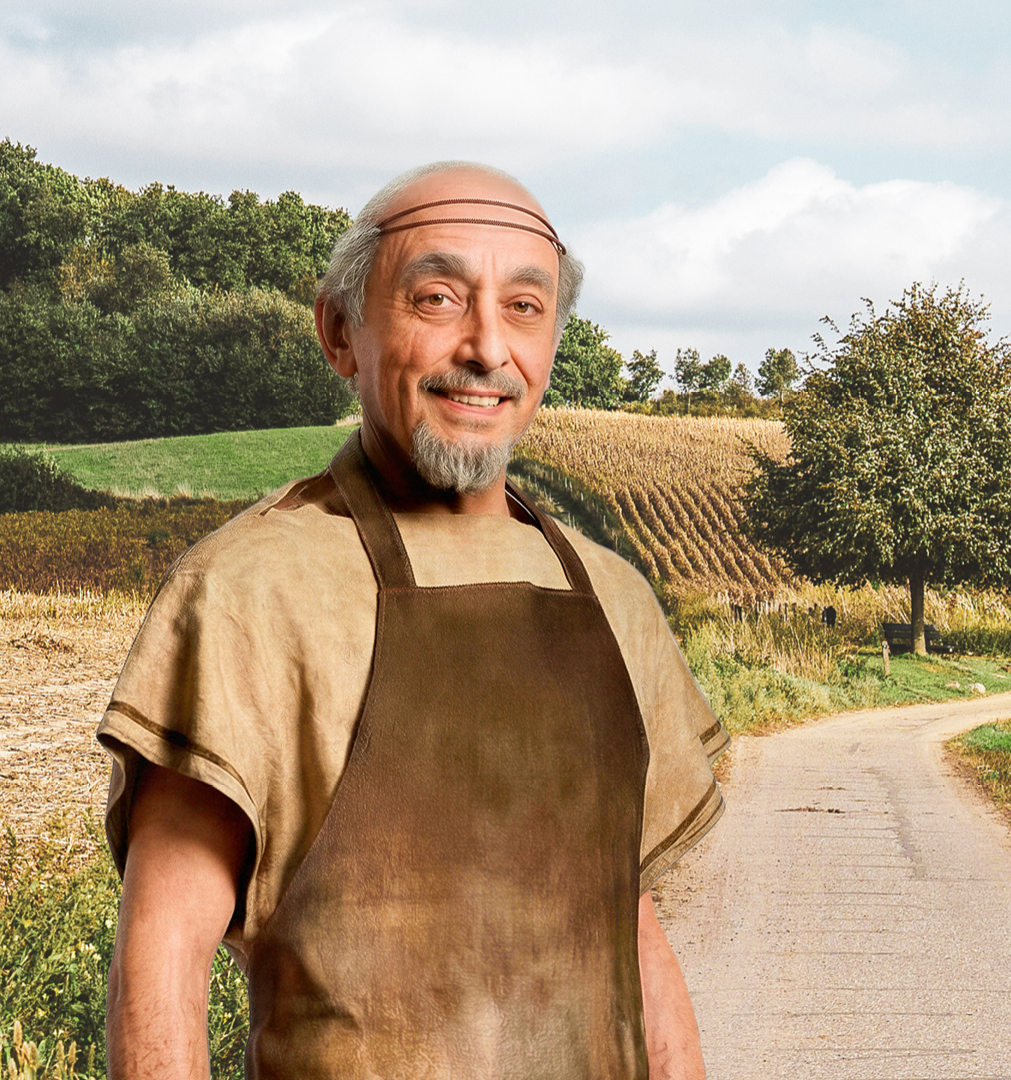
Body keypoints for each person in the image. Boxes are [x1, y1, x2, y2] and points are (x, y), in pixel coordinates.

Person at [97, 162, 727, 1080]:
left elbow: (626, 935)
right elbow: (163, 959)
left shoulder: (611, 597)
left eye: (524, 306)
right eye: (437, 298)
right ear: (339, 331)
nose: (486, 348)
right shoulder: (247, 591)